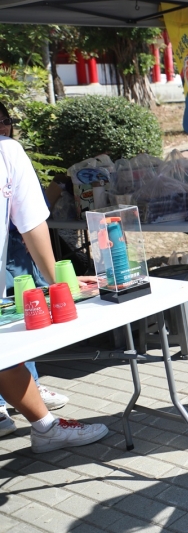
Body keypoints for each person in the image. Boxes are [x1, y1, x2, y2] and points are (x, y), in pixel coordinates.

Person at [0, 128, 107, 452]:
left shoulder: (7, 153)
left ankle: (45, 427)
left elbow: (31, 223)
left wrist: (60, 283)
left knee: (5, 355)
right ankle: (45, 427)